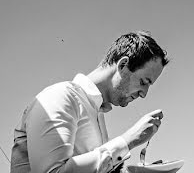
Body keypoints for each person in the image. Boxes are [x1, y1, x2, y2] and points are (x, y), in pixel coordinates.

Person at [10, 31, 170, 173]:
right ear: (123, 65)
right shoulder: (60, 96)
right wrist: (128, 140)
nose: (144, 94)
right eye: (144, 82)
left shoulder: (97, 115)